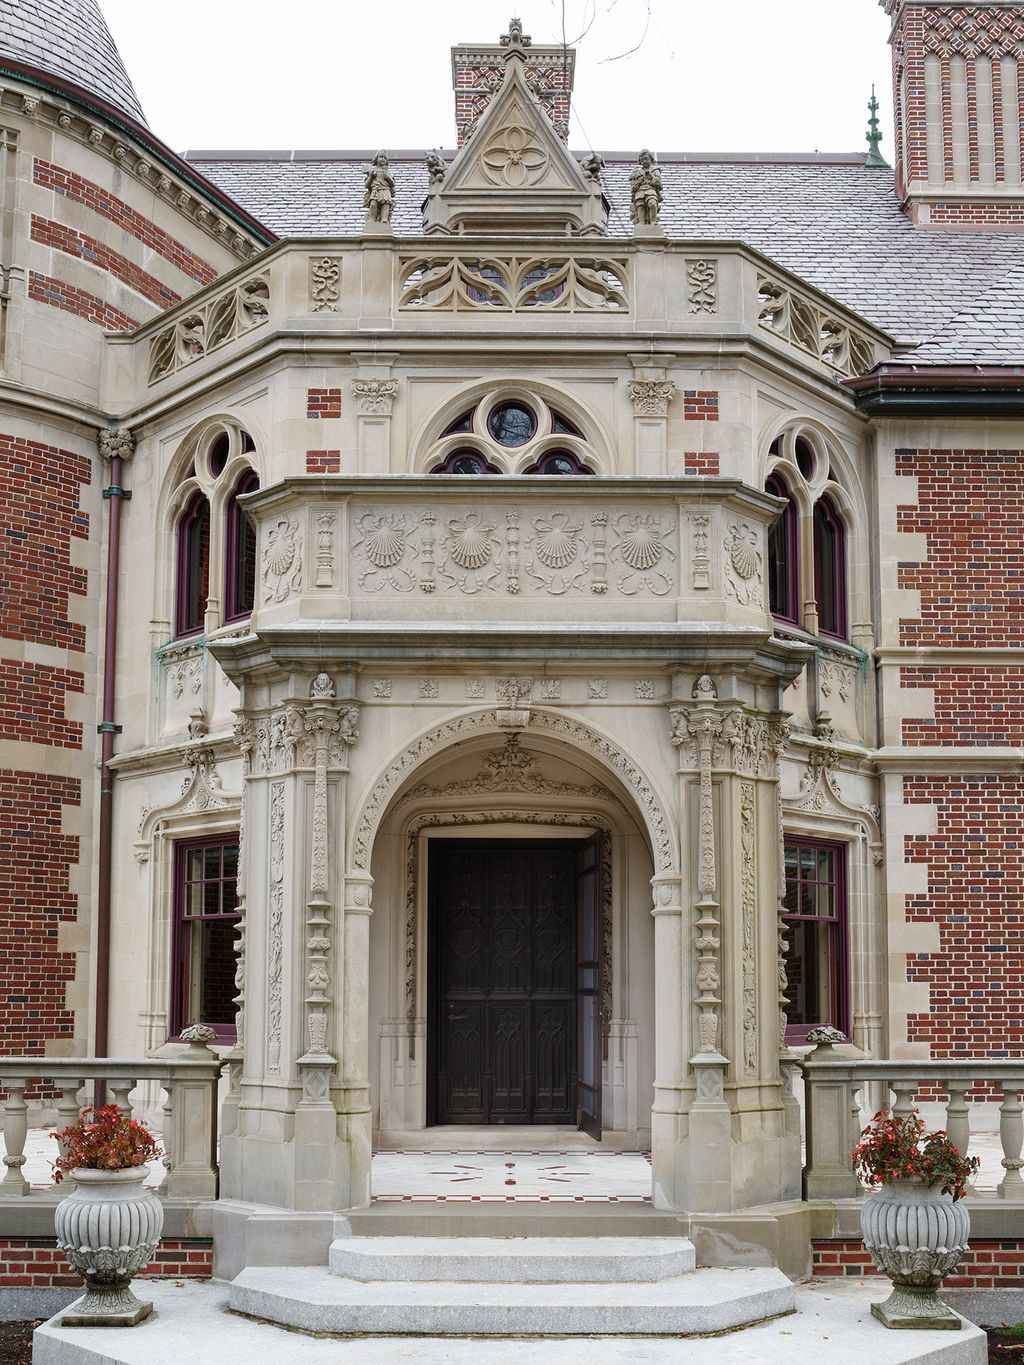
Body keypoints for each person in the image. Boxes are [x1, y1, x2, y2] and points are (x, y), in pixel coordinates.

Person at [629, 148, 662, 226]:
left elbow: (659, 184)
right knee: (640, 206)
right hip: (640, 191)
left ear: (650, 159)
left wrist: (651, 177)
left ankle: (653, 221)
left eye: (646, 159)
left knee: (652, 203)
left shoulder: (655, 170)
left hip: (651, 190)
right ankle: (641, 223)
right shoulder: (636, 173)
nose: (644, 161)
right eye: (642, 160)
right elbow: (633, 187)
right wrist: (638, 183)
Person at [364, 150, 395, 224]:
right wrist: (371, 177)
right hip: (375, 190)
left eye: (385, 158)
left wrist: (387, 177)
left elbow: (393, 184)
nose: (383, 159)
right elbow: (366, 185)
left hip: (385, 190)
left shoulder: (387, 171)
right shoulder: (372, 170)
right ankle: (372, 219)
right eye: (381, 157)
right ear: (376, 159)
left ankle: (384, 218)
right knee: (373, 204)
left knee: (385, 204)